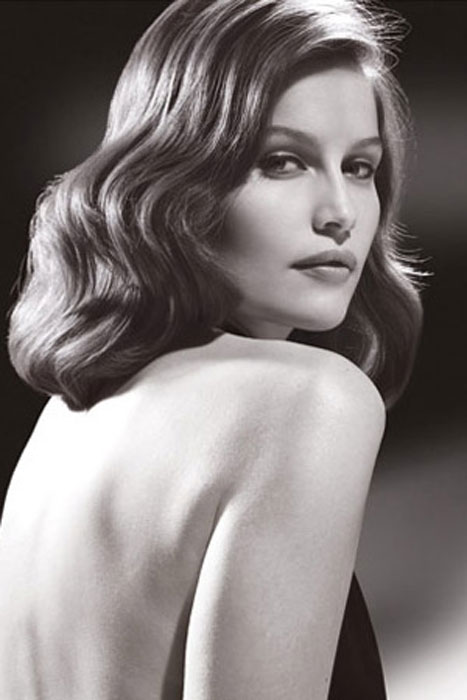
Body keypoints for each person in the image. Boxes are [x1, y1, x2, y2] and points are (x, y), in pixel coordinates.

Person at [0, 0, 422, 698]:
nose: (340, 213)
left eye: (358, 167)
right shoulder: (309, 401)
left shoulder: (69, 421)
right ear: (176, 177)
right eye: (282, 162)